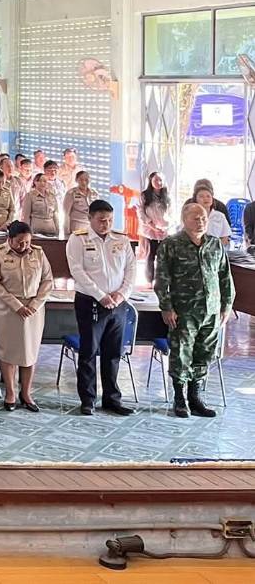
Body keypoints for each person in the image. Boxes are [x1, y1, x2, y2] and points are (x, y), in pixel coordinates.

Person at [154, 200, 235, 418]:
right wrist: (166, 307)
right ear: (184, 220)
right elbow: (161, 279)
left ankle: (195, 397)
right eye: (196, 218)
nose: (201, 222)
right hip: (183, 312)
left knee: (204, 354)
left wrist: (226, 306)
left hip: (211, 311)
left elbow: (225, 277)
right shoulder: (171, 244)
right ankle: (179, 398)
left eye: (204, 218)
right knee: (181, 354)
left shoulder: (215, 244)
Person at [66, 199, 136, 416]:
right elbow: (77, 271)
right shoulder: (78, 239)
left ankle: (112, 399)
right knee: (89, 352)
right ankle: (88, 399)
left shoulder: (121, 239)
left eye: (109, 220)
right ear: (90, 219)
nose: (106, 224)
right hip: (91, 302)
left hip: (118, 303)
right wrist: (100, 296)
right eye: (101, 220)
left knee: (113, 352)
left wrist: (121, 294)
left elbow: (131, 269)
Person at [0, 220, 53, 412]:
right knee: (8, 351)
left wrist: (35, 304)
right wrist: (16, 306)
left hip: (32, 309)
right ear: (10, 239)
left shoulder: (38, 253)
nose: (24, 246)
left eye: (27, 242)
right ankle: (10, 393)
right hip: (6, 309)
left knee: (30, 352)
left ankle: (27, 393)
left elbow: (47, 281)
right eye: (20, 242)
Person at [140, 171, 170, 282]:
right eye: (156, 180)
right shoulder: (144, 195)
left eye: (160, 180)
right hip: (149, 230)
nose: (159, 182)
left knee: (164, 257)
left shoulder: (167, 195)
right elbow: (140, 212)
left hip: (164, 230)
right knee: (150, 256)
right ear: (151, 181)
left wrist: (165, 227)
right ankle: (149, 280)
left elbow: (173, 213)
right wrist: (152, 226)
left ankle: (162, 280)